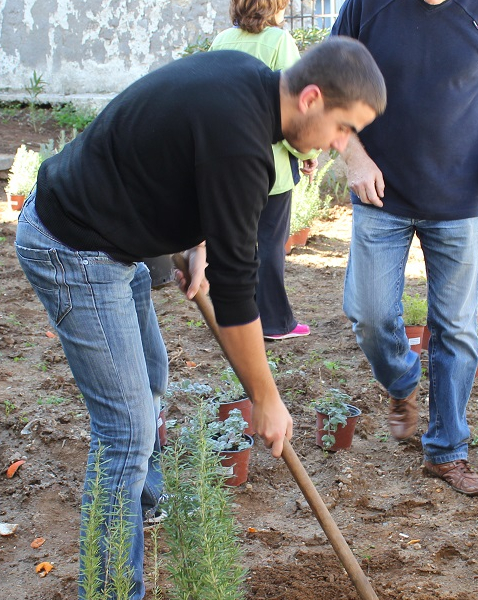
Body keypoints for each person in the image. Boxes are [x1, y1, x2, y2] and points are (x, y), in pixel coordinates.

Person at [14, 37, 386, 600]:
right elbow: (238, 295)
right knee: (125, 431)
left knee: (154, 375)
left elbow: (180, 162)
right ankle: (114, 589)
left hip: (115, 242)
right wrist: (265, 396)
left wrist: (194, 244)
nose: (340, 145)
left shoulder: (246, 79)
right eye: (343, 128)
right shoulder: (243, 146)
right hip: (75, 250)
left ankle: (143, 497)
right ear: (312, 97)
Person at [331, 0, 478, 497]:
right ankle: (403, 384)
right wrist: (353, 156)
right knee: (371, 314)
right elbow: (326, 85)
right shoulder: (367, 5)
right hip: (380, 195)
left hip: (458, 199)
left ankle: (447, 451)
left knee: (457, 329)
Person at [210, 0, 319, 341]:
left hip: (225, 164)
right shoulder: (279, 41)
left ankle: (231, 322)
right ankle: (275, 324)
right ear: (275, 7)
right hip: (269, 166)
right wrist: (308, 151)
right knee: (270, 243)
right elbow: (294, 109)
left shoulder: (222, 41)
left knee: (234, 245)